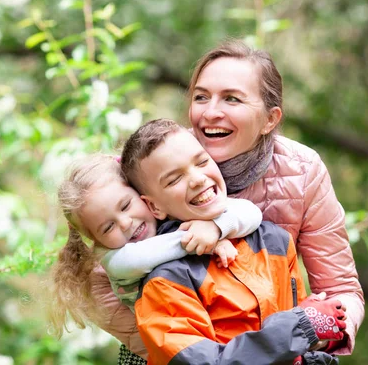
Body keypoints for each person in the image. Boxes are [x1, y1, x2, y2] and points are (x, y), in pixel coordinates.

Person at [186, 39, 364, 354]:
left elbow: (342, 290)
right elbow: (104, 275)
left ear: (270, 119)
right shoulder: (158, 161)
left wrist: (311, 331)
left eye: (231, 99)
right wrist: (178, 345)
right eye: (201, 97)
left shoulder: (302, 171)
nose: (210, 112)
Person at [120, 119, 346, 365]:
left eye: (202, 161)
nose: (196, 179)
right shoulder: (166, 281)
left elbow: (300, 342)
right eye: (174, 179)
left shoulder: (274, 241)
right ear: (154, 206)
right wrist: (300, 328)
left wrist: (318, 342)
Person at [49, 153, 264, 333]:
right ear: (95, 241)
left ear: (144, 195)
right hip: (186, 338)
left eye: (125, 206)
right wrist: (207, 240)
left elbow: (252, 212)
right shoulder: (115, 260)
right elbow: (141, 257)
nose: (125, 223)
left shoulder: (170, 216)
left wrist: (215, 228)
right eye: (107, 227)